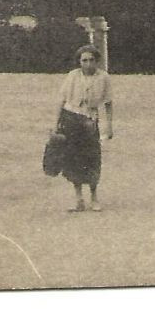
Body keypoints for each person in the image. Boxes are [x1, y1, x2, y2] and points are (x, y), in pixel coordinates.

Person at [54, 44, 113, 211]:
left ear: (97, 61)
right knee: (73, 159)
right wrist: (56, 124)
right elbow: (62, 100)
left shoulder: (103, 78)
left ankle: (94, 197)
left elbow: (108, 103)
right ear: (79, 62)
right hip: (71, 118)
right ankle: (78, 198)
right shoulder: (73, 76)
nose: (88, 64)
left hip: (90, 120)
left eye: (91, 60)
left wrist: (109, 125)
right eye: (84, 60)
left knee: (92, 158)